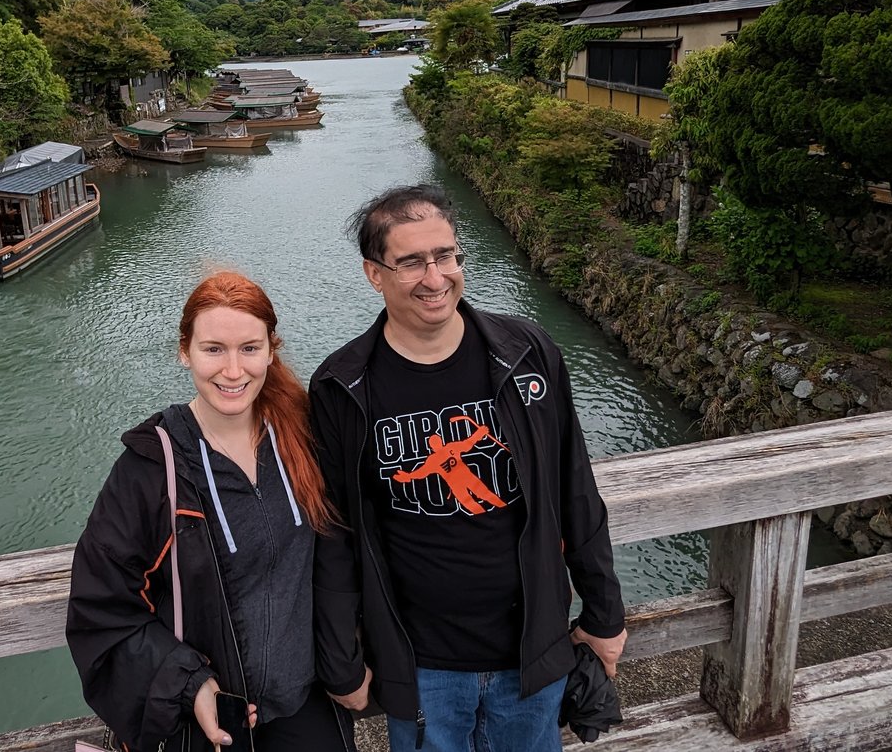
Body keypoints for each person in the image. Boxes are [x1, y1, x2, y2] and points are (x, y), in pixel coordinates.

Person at [309, 184, 627, 752]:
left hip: (532, 650)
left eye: (446, 256)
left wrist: (604, 613)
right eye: (411, 262)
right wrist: (341, 657)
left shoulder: (528, 354)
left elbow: (575, 487)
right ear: (374, 274)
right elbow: (336, 531)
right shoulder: (343, 386)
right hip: (420, 663)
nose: (435, 278)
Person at [66, 271, 354, 752]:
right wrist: (189, 682)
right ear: (185, 352)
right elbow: (101, 604)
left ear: (270, 349)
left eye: (249, 348)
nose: (234, 370)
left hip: (306, 703)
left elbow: (348, 549)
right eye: (213, 349)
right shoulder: (153, 468)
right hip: (212, 722)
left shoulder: (304, 437)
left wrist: (349, 660)